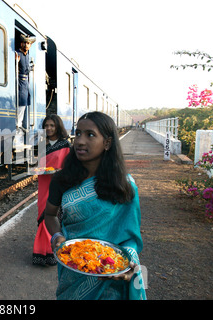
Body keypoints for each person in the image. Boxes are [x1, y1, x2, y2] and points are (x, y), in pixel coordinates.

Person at [44, 112, 147, 300]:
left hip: (110, 276)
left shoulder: (124, 186)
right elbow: (49, 215)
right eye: (78, 133)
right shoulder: (61, 179)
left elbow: (131, 237)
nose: (80, 141)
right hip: (72, 269)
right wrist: (57, 237)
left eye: (90, 135)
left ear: (107, 143)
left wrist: (128, 262)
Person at [32, 114, 70, 266]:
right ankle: (41, 252)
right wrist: (36, 169)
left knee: (53, 215)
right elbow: (41, 165)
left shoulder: (65, 145)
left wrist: (59, 171)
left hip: (58, 184)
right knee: (42, 214)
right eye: (46, 126)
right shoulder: (43, 145)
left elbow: (69, 167)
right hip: (43, 183)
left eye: (52, 126)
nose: (48, 128)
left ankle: (53, 251)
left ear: (58, 127)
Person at [15, 34, 35, 134]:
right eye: (25, 43)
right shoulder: (18, 53)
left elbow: (26, 69)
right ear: (21, 43)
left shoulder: (27, 55)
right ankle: (17, 124)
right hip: (20, 80)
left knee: (24, 102)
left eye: (28, 43)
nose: (27, 45)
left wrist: (31, 68)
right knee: (21, 102)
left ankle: (20, 123)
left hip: (26, 82)